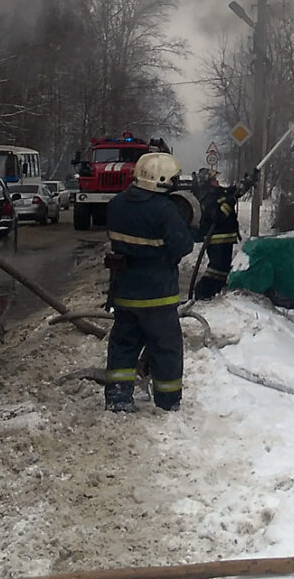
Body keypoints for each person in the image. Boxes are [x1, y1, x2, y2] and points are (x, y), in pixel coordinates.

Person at [104, 151, 193, 412]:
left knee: (123, 344)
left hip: (124, 290)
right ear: (160, 178)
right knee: (165, 348)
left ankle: (118, 398)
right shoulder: (164, 209)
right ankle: (167, 401)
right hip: (157, 294)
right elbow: (184, 245)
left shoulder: (116, 204)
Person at [191, 166, 258, 301]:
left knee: (222, 268)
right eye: (213, 180)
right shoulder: (207, 199)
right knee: (217, 269)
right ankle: (202, 291)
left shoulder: (218, 192)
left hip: (225, 239)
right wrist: (231, 201)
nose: (217, 182)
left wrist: (246, 183)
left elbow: (233, 191)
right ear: (207, 183)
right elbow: (218, 216)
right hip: (216, 240)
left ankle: (214, 290)